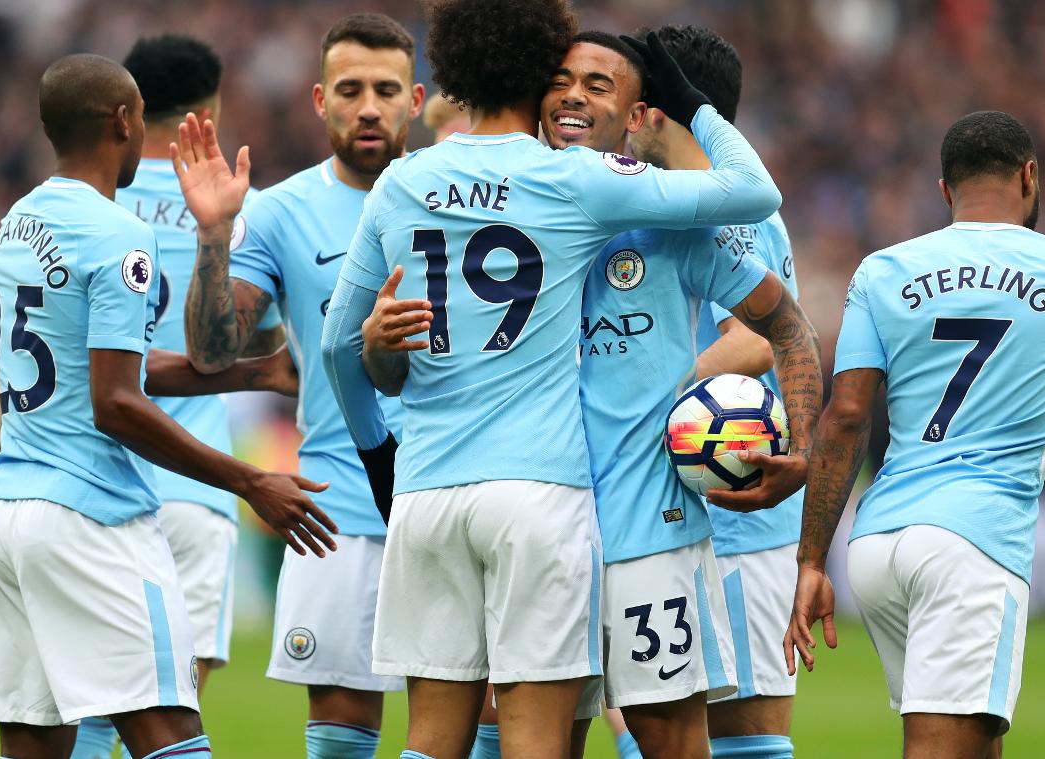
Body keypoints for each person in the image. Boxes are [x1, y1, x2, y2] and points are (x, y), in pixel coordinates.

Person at [314, 0, 790, 754]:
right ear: (540, 71)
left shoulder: (402, 182)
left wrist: (378, 456)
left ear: (454, 69)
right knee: (538, 739)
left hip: (425, 490)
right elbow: (754, 192)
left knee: (430, 739)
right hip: (538, 491)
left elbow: (339, 349)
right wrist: (691, 102)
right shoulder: (575, 178)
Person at [0, 54, 332, 759]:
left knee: (36, 747)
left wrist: (253, 373)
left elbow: (75, 362)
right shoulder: (118, 235)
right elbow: (115, 401)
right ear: (123, 121)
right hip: (91, 518)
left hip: (9, 518)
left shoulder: (17, 222)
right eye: (140, 117)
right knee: (173, 737)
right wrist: (249, 480)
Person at [785, 110, 1045, 759]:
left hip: (878, 544)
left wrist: (813, 559)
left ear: (945, 190)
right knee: (943, 744)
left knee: (973, 740)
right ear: (1030, 176)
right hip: (970, 542)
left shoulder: (882, 270)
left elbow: (846, 417)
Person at [180, 13, 423, 759]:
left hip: (452, 494)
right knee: (341, 733)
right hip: (338, 506)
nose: (369, 107)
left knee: (477, 725)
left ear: (416, 100)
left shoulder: (460, 199)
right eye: (350, 90)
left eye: (386, 90)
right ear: (320, 100)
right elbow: (212, 351)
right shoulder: (279, 211)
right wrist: (215, 236)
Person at [66, 34, 287, 759]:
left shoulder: (87, 204)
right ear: (210, 111)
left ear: (129, 109)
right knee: (171, 712)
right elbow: (253, 346)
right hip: (195, 484)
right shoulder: (240, 208)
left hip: (94, 480)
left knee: (95, 706)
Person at [630, 26, 806, 759]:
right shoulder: (669, 203)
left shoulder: (735, 209)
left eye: (633, 102)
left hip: (737, 514)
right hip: (680, 509)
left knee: (745, 733)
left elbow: (759, 339)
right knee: (661, 728)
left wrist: (660, 393)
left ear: (656, 110)